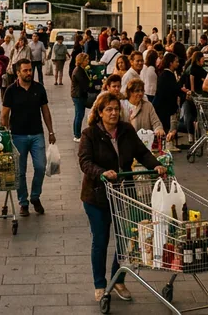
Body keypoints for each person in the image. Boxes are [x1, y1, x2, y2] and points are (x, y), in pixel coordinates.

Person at [78, 92, 166, 303]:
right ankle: (100, 284)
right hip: (97, 196)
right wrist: (102, 172)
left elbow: (142, 153)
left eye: (116, 109)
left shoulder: (126, 130)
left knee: (126, 239)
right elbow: (84, 161)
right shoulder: (90, 134)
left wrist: (156, 165)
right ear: (99, 113)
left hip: (124, 193)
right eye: (108, 109)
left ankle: (118, 278)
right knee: (100, 240)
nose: (114, 113)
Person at [1, 59, 57, 216]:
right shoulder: (11, 90)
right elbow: (5, 114)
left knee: (40, 167)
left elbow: (45, 111)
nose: (29, 73)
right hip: (18, 136)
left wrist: (50, 131)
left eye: (30, 70)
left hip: (36, 134)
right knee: (20, 171)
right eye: (25, 70)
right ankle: (23, 202)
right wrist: (6, 135)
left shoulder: (39, 89)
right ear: (18, 72)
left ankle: (35, 196)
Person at [153, 52, 183, 150]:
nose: (178, 64)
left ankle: (168, 143)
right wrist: (181, 90)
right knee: (170, 125)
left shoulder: (164, 74)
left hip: (163, 105)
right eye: (176, 62)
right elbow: (172, 90)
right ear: (171, 63)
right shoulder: (168, 75)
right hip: (167, 106)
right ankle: (169, 144)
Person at [71, 52, 91, 141]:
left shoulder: (81, 69)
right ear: (82, 61)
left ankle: (76, 134)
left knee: (78, 114)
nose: (88, 61)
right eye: (86, 60)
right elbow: (84, 84)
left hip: (78, 94)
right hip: (78, 95)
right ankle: (77, 135)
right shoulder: (78, 71)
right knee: (79, 115)